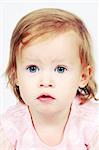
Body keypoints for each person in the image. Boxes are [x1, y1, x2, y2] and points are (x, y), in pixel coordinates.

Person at [0, 8, 99, 149]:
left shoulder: (92, 123)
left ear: (83, 76)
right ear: (15, 75)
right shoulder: (10, 128)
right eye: (32, 68)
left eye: (60, 69)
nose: (45, 82)